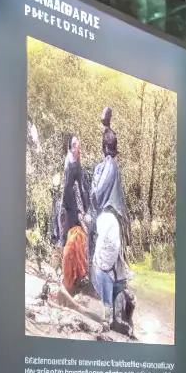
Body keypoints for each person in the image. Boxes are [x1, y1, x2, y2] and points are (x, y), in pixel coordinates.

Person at [90, 108, 131, 331]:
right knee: (114, 270)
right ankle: (114, 316)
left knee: (100, 267)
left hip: (107, 220)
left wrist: (94, 182)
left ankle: (107, 316)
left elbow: (98, 193)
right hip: (112, 222)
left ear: (106, 147)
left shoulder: (109, 166)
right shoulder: (112, 166)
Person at [59, 134, 89, 296]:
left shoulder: (77, 160)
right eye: (75, 145)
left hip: (75, 205)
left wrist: (84, 206)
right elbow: (68, 189)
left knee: (78, 242)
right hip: (69, 207)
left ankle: (77, 277)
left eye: (78, 145)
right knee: (71, 242)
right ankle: (69, 279)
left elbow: (81, 184)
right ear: (72, 146)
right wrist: (77, 211)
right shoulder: (70, 161)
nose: (77, 147)